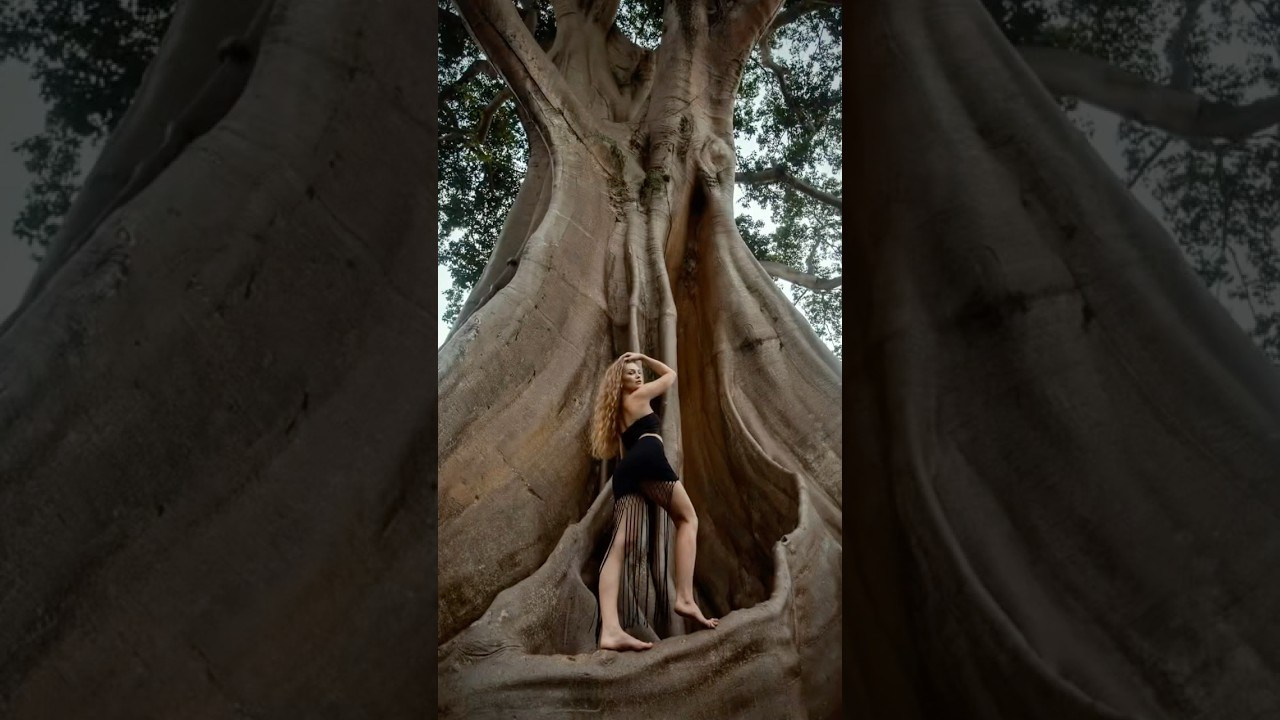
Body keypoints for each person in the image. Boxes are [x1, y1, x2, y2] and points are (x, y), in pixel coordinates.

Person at [588, 351, 719, 652]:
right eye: (630, 372)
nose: (637, 375)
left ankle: (610, 629)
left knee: (619, 544)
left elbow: (624, 456)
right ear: (618, 380)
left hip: (628, 469)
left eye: (639, 371)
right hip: (648, 456)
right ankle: (684, 597)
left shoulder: (619, 411)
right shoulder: (639, 396)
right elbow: (670, 376)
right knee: (688, 519)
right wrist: (645, 358)